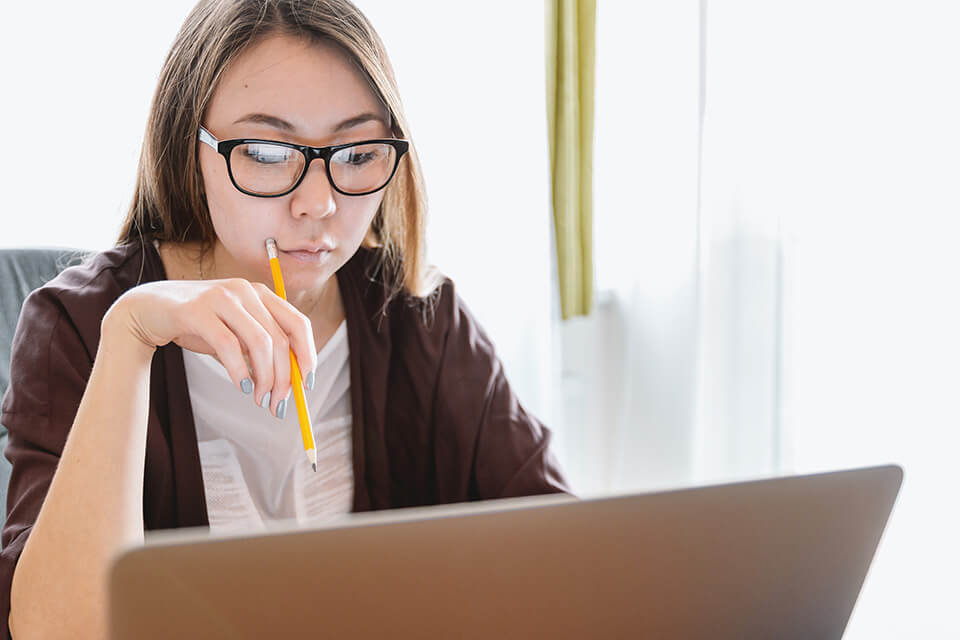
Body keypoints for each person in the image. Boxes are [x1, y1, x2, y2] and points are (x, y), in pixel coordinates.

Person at [0, 1, 570, 637]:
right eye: (269, 153)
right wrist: (130, 339)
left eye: (357, 154)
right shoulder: (78, 324)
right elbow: (59, 630)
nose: (318, 204)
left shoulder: (419, 318)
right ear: (192, 148)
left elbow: (572, 560)